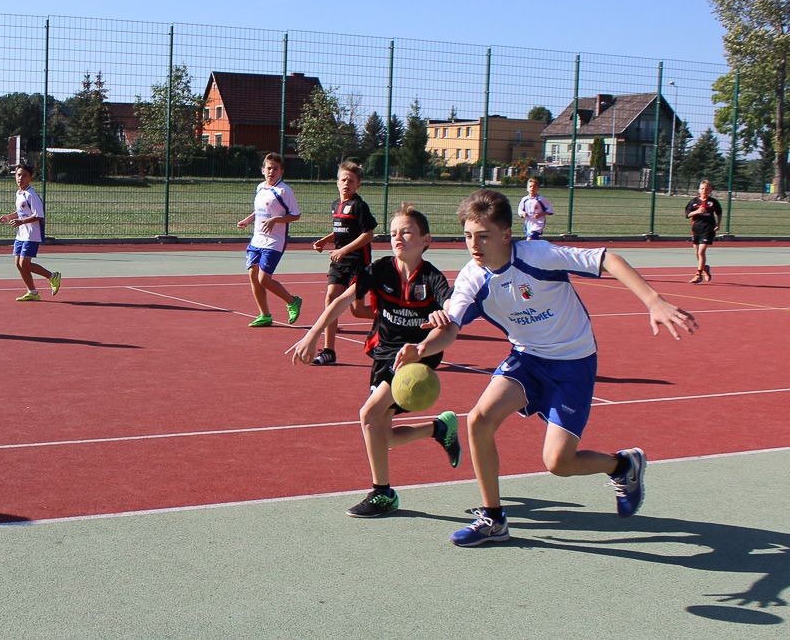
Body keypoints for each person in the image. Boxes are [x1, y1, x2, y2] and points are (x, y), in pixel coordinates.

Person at [396, 189, 697, 546]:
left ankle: (622, 465)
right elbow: (450, 328)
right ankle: (493, 518)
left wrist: (653, 300)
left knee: (558, 463)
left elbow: (609, 259)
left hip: (573, 362)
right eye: (467, 236)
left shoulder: (539, 255)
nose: (473, 245)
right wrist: (422, 348)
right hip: (528, 357)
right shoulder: (472, 279)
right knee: (478, 419)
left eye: (483, 236)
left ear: (506, 234)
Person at [287, 203, 461, 518]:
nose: (398, 237)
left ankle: (383, 494)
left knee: (367, 415)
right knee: (384, 437)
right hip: (383, 355)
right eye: (394, 233)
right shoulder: (380, 270)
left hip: (416, 361)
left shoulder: (432, 278)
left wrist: (445, 313)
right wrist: (312, 335)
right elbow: (341, 300)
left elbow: (450, 305)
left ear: (425, 240)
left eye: (407, 232)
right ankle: (438, 429)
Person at [310, 160, 378, 365]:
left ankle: (390, 315)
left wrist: (344, 250)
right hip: (339, 263)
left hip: (358, 263)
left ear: (358, 184)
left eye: (351, 180)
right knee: (331, 297)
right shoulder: (335, 205)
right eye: (343, 179)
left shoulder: (359, 206)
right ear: (337, 182)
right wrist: (325, 240)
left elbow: (368, 235)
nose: (346, 183)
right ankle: (329, 351)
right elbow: (341, 230)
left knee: (357, 311)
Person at [236, 152, 302, 327]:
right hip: (257, 239)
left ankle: (292, 301)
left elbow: (295, 215)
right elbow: (259, 211)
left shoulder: (284, 191)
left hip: (274, 241)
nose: (271, 171)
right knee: (252, 274)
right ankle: (264, 314)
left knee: (264, 279)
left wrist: (276, 220)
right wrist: (247, 220)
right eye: (269, 168)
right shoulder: (260, 188)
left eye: (275, 168)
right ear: (262, 170)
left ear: (281, 171)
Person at [0, 158, 61, 301]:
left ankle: (52, 276)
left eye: (24, 175)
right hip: (21, 234)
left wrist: (21, 221)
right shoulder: (19, 193)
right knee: (18, 264)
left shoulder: (31, 194)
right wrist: (8, 217)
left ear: (30, 178)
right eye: (18, 175)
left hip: (32, 234)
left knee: (24, 263)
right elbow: (21, 211)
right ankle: (32, 292)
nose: (20, 178)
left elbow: (39, 215)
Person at [684, 179, 722, 284]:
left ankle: (698, 275)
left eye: (706, 188)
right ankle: (705, 268)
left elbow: (719, 213)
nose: (704, 190)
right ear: (699, 190)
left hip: (708, 230)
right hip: (696, 229)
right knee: (697, 253)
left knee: (701, 252)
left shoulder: (713, 202)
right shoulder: (693, 202)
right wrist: (697, 211)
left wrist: (718, 224)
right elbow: (687, 215)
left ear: (710, 190)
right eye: (702, 188)